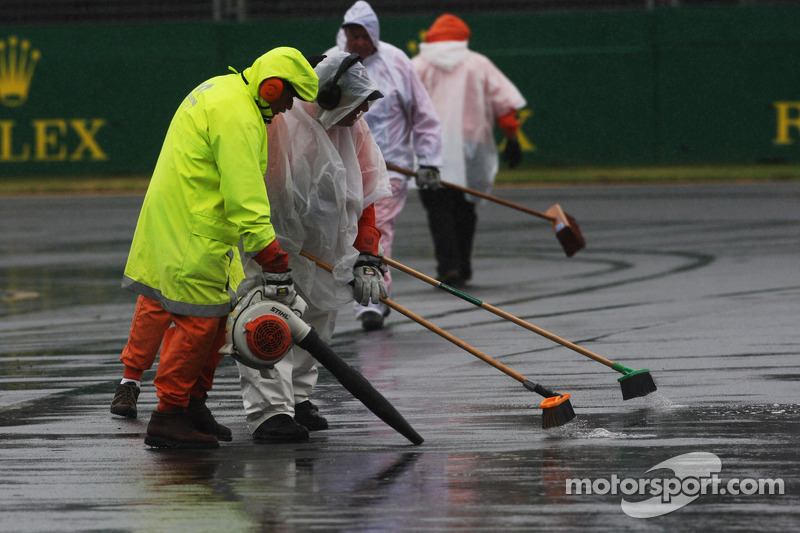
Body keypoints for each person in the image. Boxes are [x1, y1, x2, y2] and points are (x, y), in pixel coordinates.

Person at [112, 47, 319, 449]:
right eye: (288, 97)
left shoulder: (225, 92)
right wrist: (270, 255)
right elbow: (244, 194)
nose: (288, 107)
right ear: (272, 85)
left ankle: (192, 404)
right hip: (194, 231)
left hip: (183, 223)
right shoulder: (237, 115)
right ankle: (168, 416)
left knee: (217, 323)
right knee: (198, 324)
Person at [236, 51, 392, 442]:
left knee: (317, 323)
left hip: (326, 248)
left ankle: (299, 399)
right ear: (325, 96)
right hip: (274, 244)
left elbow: (368, 192)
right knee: (268, 321)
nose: (361, 113)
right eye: (354, 105)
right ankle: (270, 412)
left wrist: (369, 255)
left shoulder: (354, 127)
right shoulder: (281, 123)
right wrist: (265, 246)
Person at [326, 1, 443, 331]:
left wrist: (430, 160)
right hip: (338, 168)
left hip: (389, 169)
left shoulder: (396, 62)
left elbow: (423, 115)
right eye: (354, 36)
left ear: (374, 36)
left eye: (365, 37)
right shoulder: (331, 63)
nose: (360, 43)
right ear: (345, 35)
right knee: (339, 235)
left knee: (379, 230)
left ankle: (373, 300)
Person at [411, 14, 527, 287]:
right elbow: (504, 102)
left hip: (429, 150)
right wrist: (512, 136)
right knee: (466, 204)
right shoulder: (478, 64)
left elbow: (401, 103)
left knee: (437, 205)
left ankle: (448, 265)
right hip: (470, 146)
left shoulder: (417, 65)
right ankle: (463, 265)